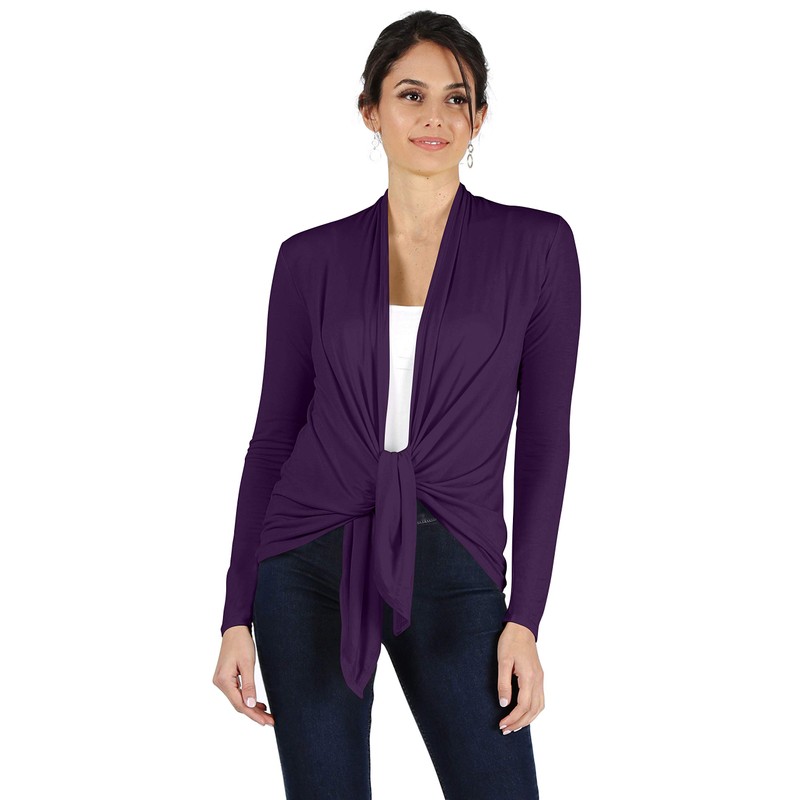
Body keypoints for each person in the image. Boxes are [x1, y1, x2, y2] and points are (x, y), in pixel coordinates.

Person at [212, 10, 581, 799]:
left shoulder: (538, 246)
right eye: (411, 95)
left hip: (453, 557)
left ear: (479, 117)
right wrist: (235, 612)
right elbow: (273, 440)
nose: (434, 116)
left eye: (456, 98)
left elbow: (545, 443)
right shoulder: (308, 259)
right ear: (371, 111)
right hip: (305, 560)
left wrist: (525, 617)